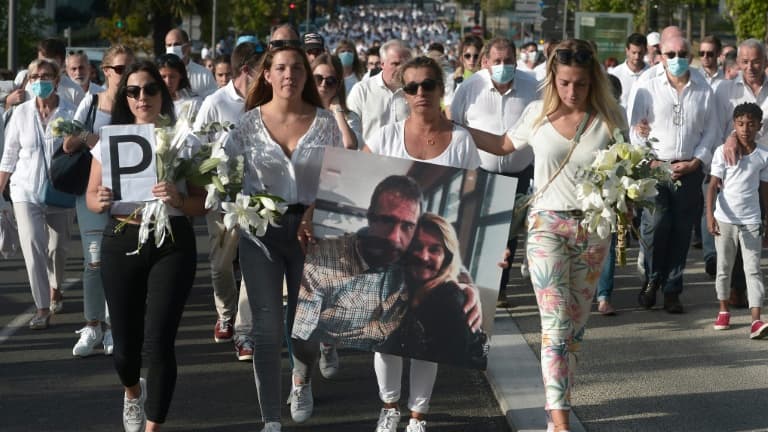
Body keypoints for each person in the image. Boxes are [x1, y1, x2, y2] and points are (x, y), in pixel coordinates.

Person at [468, 39, 627, 432]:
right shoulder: (536, 114)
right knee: (555, 326)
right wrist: (457, 129)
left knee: (574, 329)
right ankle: (560, 421)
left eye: (581, 84)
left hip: (593, 231)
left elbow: (626, 166)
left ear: (595, 83)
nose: (572, 92)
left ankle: (558, 402)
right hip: (546, 227)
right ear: (553, 79)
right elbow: (504, 145)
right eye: (565, 83)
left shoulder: (610, 119)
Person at [224, 45, 342, 432]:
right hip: (261, 233)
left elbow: (339, 179)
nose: (289, 74)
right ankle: (270, 418)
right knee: (266, 326)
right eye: (280, 68)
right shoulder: (246, 125)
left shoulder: (325, 123)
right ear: (268, 76)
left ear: (306, 76)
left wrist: (315, 210)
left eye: (296, 68)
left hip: (310, 233)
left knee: (303, 329)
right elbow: (224, 177)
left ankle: (301, 378)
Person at [85, 60, 207, 432]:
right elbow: (90, 196)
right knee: (125, 350)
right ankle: (132, 391)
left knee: (159, 342)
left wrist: (177, 200)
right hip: (122, 237)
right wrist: (100, 200)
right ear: (125, 97)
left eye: (150, 89)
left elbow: (201, 204)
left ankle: (154, 426)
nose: (142, 97)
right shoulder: (110, 140)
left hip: (172, 241)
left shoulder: (184, 140)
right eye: (134, 91)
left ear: (163, 93)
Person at [629, 35, 719, 314]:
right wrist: (650, 158)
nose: (677, 59)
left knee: (681, 231)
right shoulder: (647, 85)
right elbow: (635, 130)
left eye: (683, 53)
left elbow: (711, 131)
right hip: (656, 169)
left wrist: (696, 161)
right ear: (660, 56)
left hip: (689, 170)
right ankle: (653, 278)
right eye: (671, 54)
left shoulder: (703, 89)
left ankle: (672, 290)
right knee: (656, 226)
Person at [449, 37, 539, 305]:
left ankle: (500, 288)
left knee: (508, 234)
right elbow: (456, 125)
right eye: (497, 61)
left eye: (508, 61)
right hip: (482, 172)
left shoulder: (533, 86)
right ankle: (477, 286)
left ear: (516, 60)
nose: (503, 66)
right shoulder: (470, 87)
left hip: (519, 171)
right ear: (485, 62)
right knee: (480, 233)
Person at [63, 44, 135, 357]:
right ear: (105, 72)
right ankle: (93, 325)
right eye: (120, 69)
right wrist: (90, 140)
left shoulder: (138, 102)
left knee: (123, 262)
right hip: (92, 191)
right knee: (95, 260)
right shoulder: (90, 102)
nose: (126, 75)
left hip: (128, 194)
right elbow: (66, 142)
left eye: (130, 69)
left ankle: (113, 326)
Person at [193, 41, 262, 362]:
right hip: (221, 198)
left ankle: (244, 333)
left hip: (259, 198)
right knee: (221, 265)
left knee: (252, 265)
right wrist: (209, 180)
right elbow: (196, 148)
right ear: (246, 71)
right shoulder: (215, 102)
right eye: (264, 71)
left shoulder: (267, 101)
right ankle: (225, 313)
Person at [0, 58, 76, 330]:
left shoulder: (69, 112)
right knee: (33, 247)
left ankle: (56, 286)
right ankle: (42, 307)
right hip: (25, 190)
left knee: (58, 248)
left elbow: (81, 153)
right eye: (34, 77)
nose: (39, 81)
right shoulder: (20, 113)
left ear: (57, 80)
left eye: (45, 76)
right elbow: (9, 156)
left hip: (60, 192)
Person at [706, 102, 768, 340]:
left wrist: (766, 217)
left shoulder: (763, 155)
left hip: (751, 220)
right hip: (725, 219)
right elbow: (712, 186)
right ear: (734, 125)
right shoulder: (723, 151)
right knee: (724, 268)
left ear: (759, 127)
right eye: (740, 124)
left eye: (751, 124)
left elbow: (764, 190)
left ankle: (756, 320)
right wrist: (709, 216)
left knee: (753, 270)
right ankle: (723, 310)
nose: (745, 129)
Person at [347, 39, 412, 144]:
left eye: (406, 64)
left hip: (404, 159)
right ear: (382, 64)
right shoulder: (362, 90)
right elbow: (351, 128)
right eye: (395, 64)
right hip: (369, 158)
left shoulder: (417, 92)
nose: (401, 68)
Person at [312, 53, 362, 151]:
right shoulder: (300, 112)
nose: (323, 84)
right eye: (318, 78)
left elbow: (349, 145)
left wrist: (338, 111)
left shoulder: (350, 117)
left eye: (330, 81)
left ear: (338, 85)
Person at [164, 28, 217, 98]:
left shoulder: (204, 75)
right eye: (169, 45)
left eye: (176, 44)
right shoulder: (160, 75)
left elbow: (212, 104)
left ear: (187, 46)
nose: (172, 48)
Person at [156, 53, 201, 119]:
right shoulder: (152, 103)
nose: (167, 81)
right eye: (163, 77)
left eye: (172, 77)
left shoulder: (194, 103)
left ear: (181, 75)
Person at [608, 33, 648, 108]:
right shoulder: (615, 74)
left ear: (645, 51)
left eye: (640, 53)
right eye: (634, 53)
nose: (637, 57)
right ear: (627, 51)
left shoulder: (653, 73)